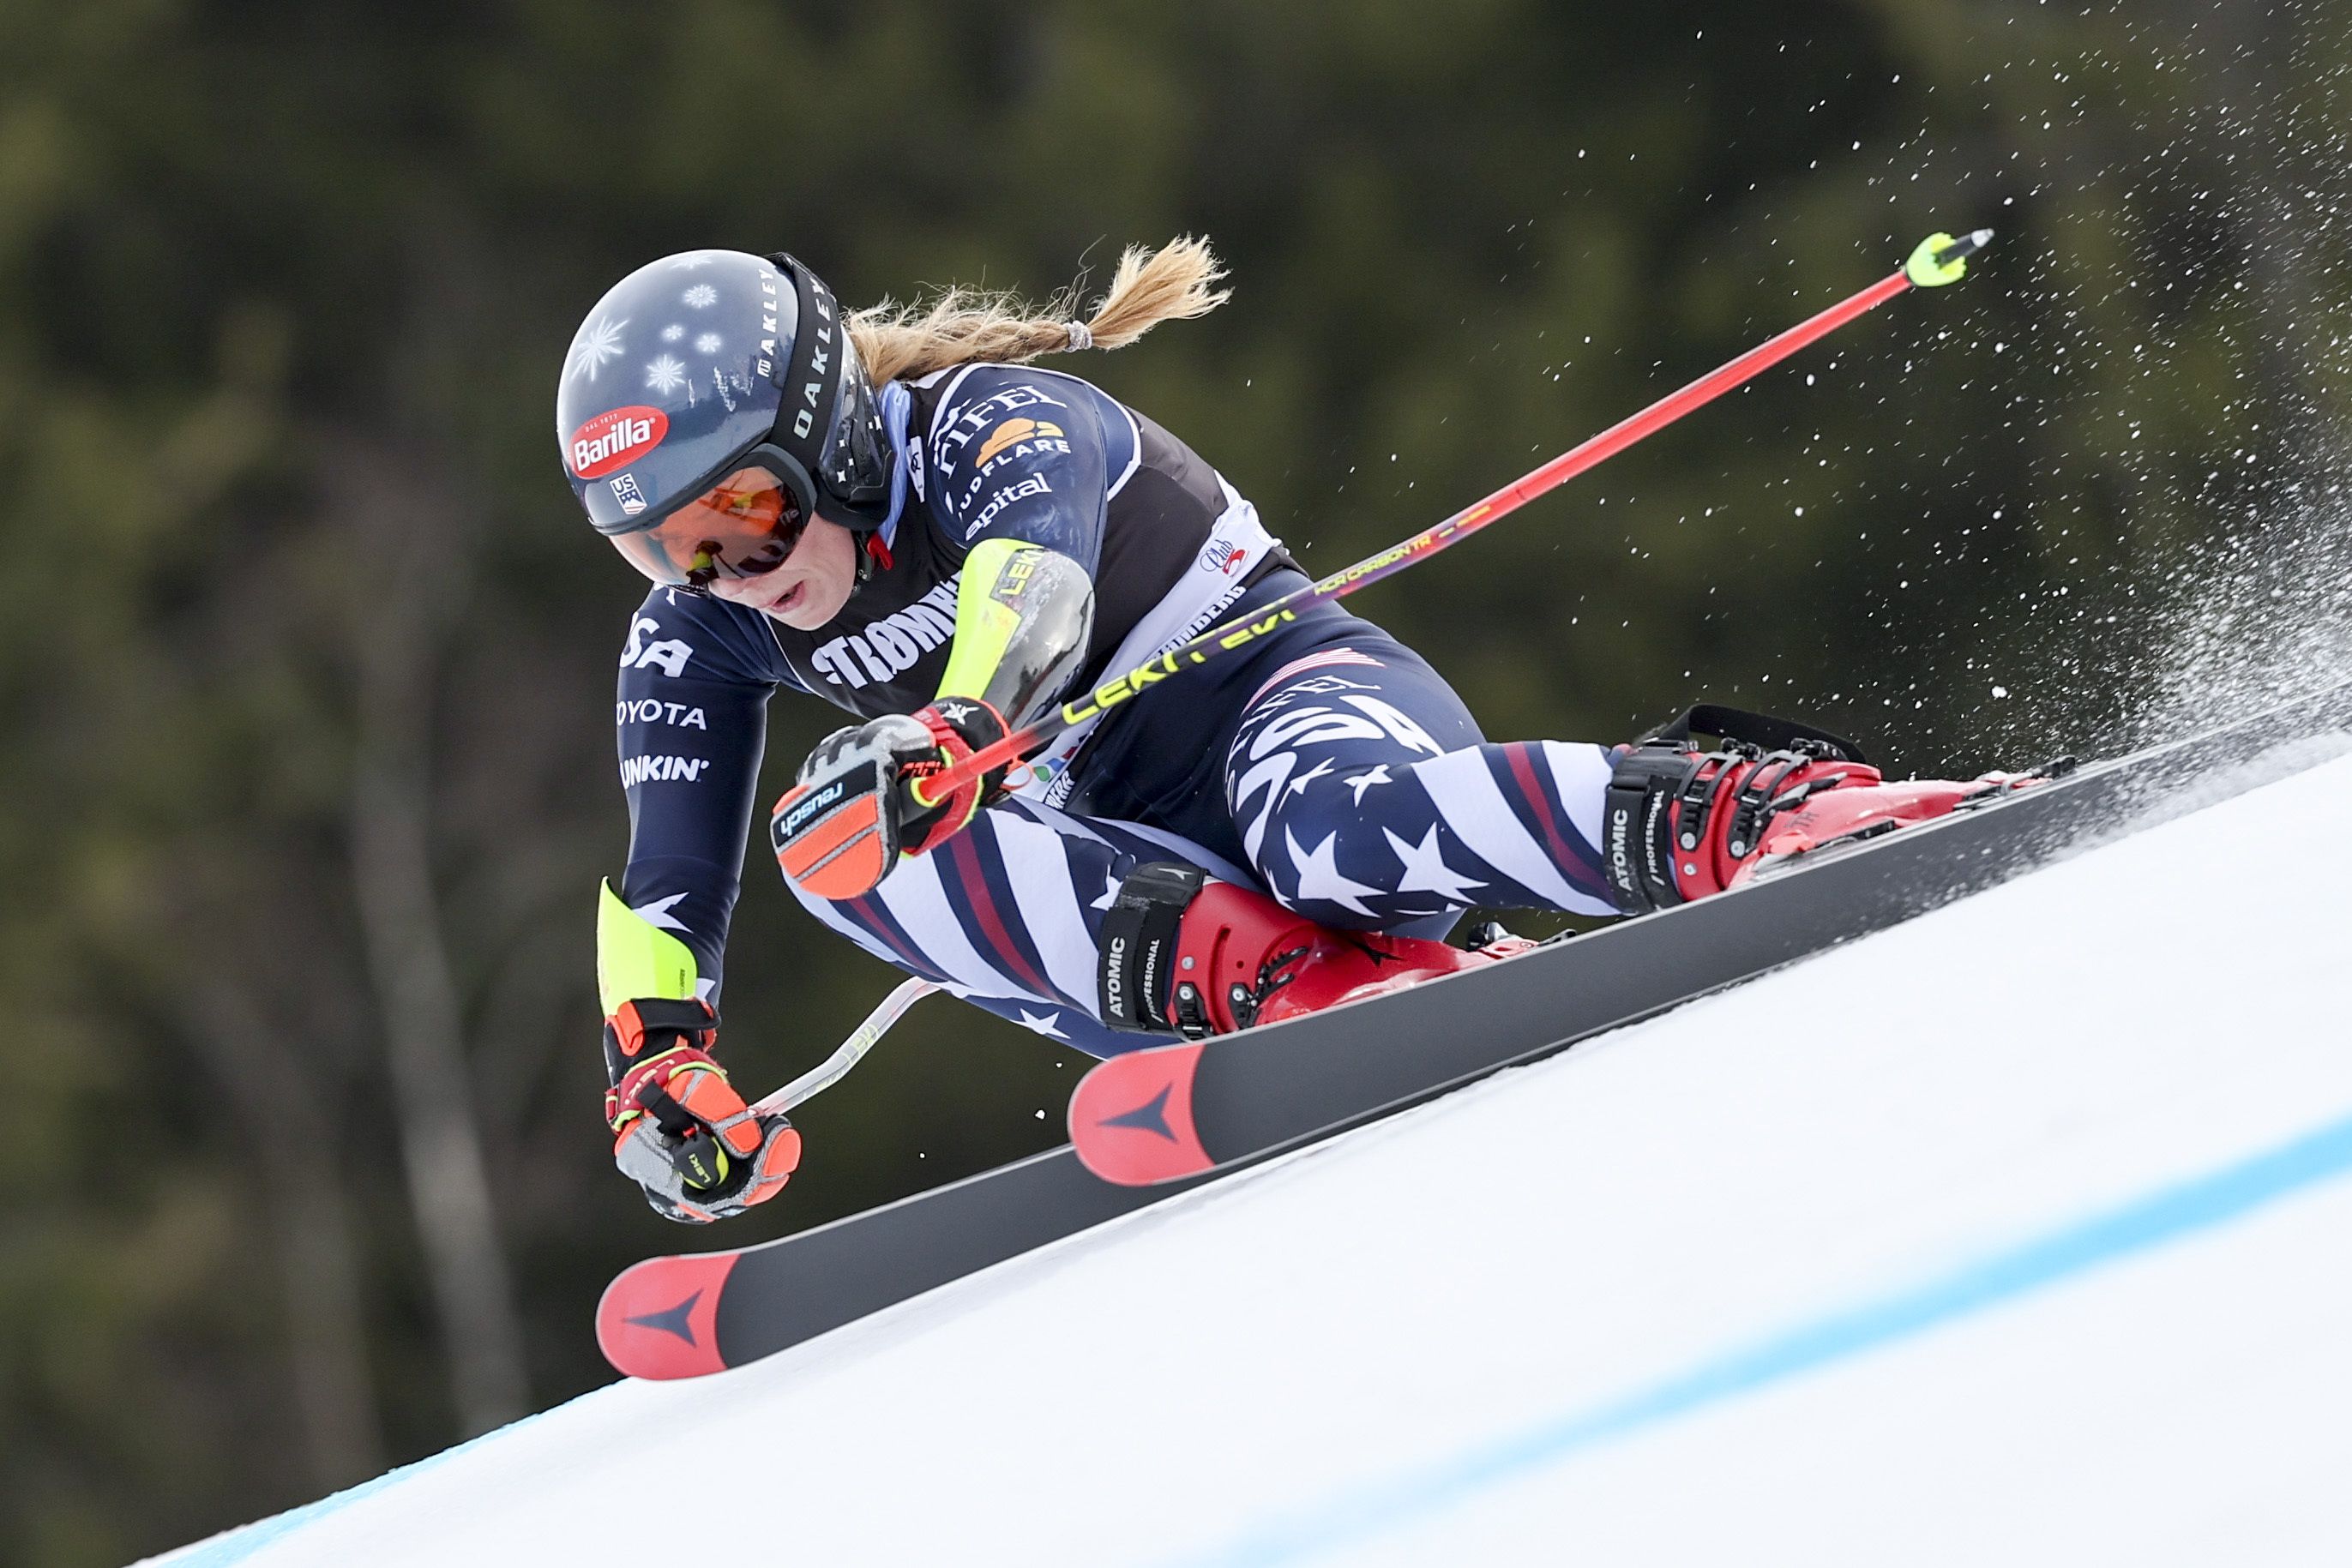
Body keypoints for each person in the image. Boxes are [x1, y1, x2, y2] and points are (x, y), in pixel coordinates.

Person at [559, 240, 2020, 1223]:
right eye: (660, 546)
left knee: (1329, 826)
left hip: (1279, 706)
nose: (721, 571)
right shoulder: (701, 627)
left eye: (741, 511)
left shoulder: (994, 427)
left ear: (825, 430)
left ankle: (1750, 815)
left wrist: (958, 727)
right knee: (834, 844)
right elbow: (663, 880)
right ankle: (1305, 994)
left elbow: (1038, 592)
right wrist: (659, 1062)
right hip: (1138, 864)